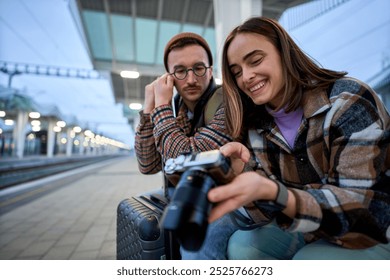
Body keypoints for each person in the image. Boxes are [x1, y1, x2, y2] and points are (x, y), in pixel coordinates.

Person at [206, 16, 390, 259]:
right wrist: (239, 177)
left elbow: (362, 212)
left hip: (374, 231)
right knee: (243, 246)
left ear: (285, 54)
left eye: (256, 60)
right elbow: (256, 216)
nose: (246, 77)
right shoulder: (255, 125)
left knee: (307, 261)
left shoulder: (348, 102)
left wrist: (276, 193)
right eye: (237, 71)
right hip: (312, 227)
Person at [134, 32, 236, 259]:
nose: (191, 79)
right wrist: (149, 107)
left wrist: (161, 106)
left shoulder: (228, 103)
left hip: (229, 200)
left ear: (211, 70)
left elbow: (186, 156)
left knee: (196, 244)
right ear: (169, 77)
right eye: (180, 70)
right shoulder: (178, 108)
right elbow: (148, 164)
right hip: (192, 194)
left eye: (199, 68)